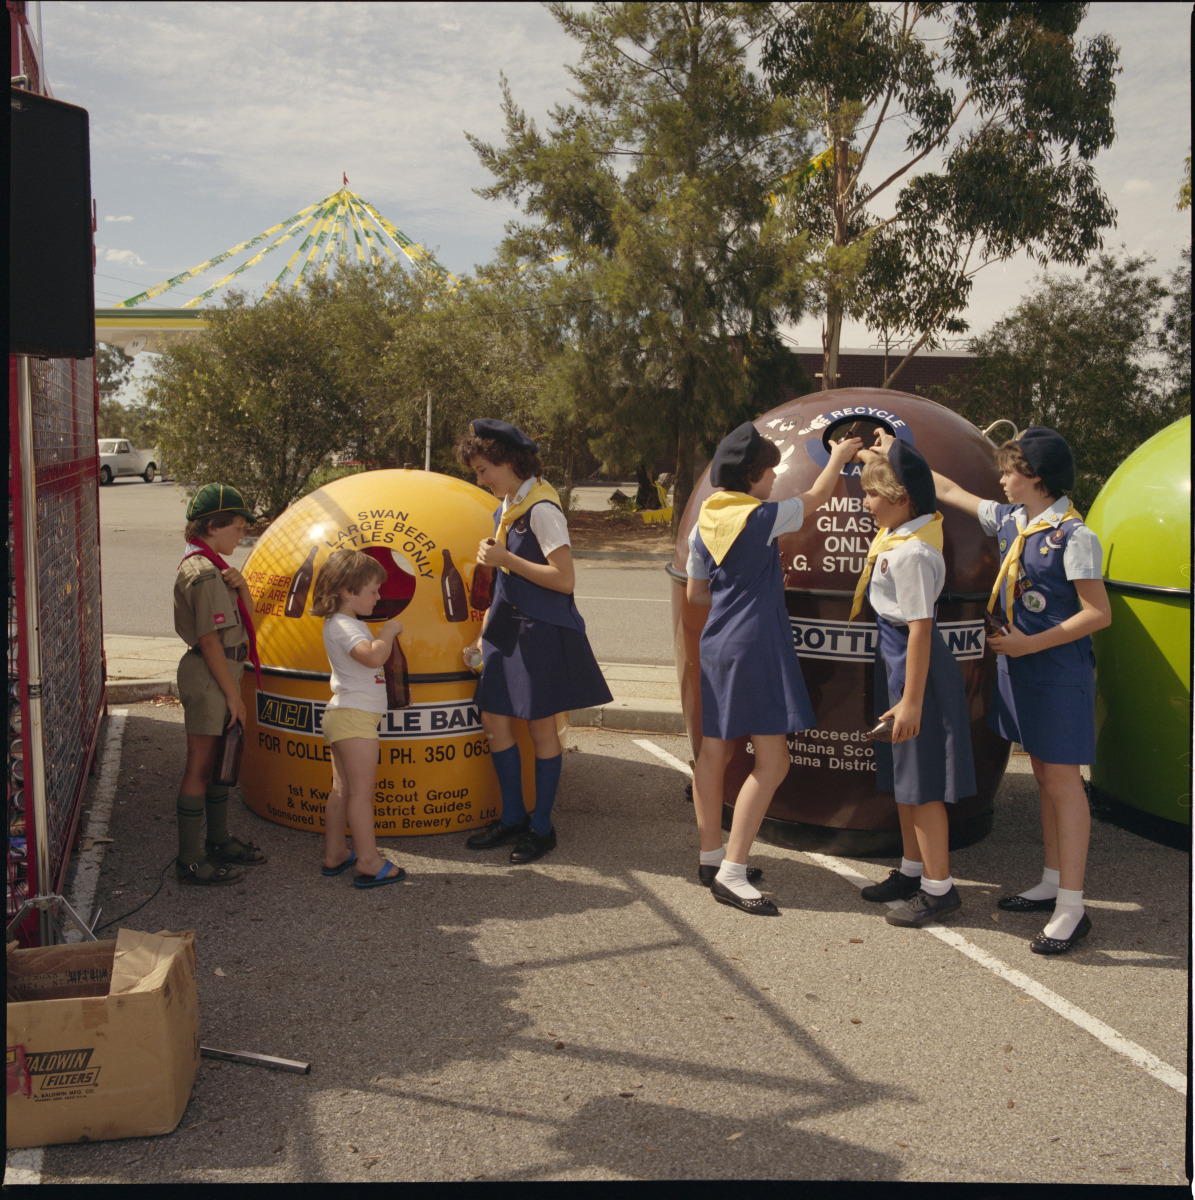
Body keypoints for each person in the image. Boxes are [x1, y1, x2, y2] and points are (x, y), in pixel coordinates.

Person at [911, 426, 1111, 954]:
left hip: (1056, 672)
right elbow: (950, 491)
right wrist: (901, 450)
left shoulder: (1074, 536)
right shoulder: (1012, 520)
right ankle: (1051, 879)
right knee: (1044, 772)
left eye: (1010, 471)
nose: (1000, 479)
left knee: (1064, 781)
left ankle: (1073, 906)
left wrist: (1031, 645)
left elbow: (1098, 613)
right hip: (1020, 670)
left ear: (1037, 478)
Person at [686, 423, 862, 915]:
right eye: (770, 473)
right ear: (756, 475)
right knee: (774, 762)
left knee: (714, 752)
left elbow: (697, 594)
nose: (773, 481)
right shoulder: (760, 517)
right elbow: (817, 496)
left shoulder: (709, 518)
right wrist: (840, 454)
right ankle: (733, 873)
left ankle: (710, 856)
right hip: (756, 645)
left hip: (718, 642)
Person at [456, 419, 612, 865]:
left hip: (541, 629)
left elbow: (564, 580)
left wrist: (505, 558)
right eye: (477, 472)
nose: (481, 480)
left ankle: (542, 826)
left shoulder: (541, 508)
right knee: (494, 719)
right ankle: (512, 817)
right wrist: (482, 634)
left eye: (485, 469)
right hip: (508, 627)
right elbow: (505, 583)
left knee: (542, 728)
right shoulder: (508, 506)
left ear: (509, 461)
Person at [850, 440, 976, 928]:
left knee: (923, 785)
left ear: (901, 499)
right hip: (898, 664)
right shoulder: (901, 535)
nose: (865, 503)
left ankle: (939, 889)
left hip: (915, 670)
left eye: (871, 495)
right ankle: (911, 869)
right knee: (906, 778)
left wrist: (910, 702)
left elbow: (921, 628)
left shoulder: (913, 553)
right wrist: (879, 453)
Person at [173, 484, 267, 885]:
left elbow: (249, 626)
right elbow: (210, 640)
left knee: (219, 763)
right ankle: (190, 858)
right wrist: (233, 697)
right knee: (200, 765)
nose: (241, 535)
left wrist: (243, 586)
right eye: (237, 526)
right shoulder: (203, 572)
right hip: (212, 675)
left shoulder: (217, 570)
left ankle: (217, 839)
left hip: (226, 671)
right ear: (213, 526)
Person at [310, 549, 407, 888]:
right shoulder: (346, 625)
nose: (379, 596)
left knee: (342, 790)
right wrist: (389, 632)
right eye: (373, 590)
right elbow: (370, 657)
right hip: (354, 719)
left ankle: (335, 852)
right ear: (348, 592)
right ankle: (368, 860)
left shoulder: (340, 623)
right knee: (361, 794)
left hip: (344, 716)